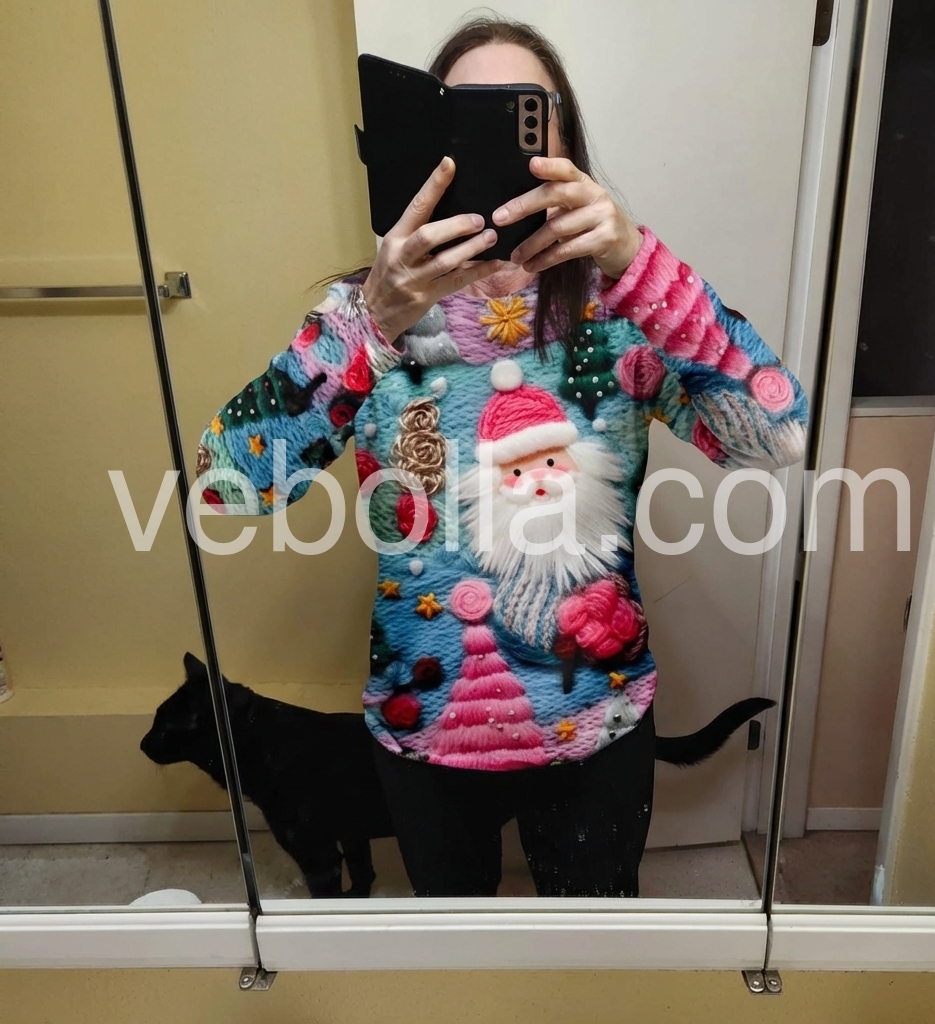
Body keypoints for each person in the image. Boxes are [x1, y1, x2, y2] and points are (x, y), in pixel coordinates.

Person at [197, 16, 808, 897]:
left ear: (565, 150)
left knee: (591, 953)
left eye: (519, 114)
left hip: (597, 725)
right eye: (463, 115)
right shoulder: (370, 318)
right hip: (425, 731)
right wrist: (369, 322)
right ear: (427, 148)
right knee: (459, 961)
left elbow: (775, 435)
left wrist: (637, 261)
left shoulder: (626, 306)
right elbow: (229, 484)